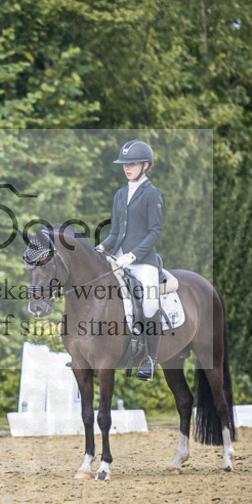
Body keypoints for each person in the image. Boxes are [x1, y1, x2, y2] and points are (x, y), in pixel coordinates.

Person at [96, 140, 163, 381]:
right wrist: (101, 248)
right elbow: (115, 233)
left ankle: (150, 359)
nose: (127, 168)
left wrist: (132, 255)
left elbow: (155, 232)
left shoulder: (152, 194)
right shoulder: (120, 194)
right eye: (125, 164)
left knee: (149, 305)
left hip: (143, 262)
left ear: (146, 165)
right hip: (119, 260)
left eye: (132, 164)